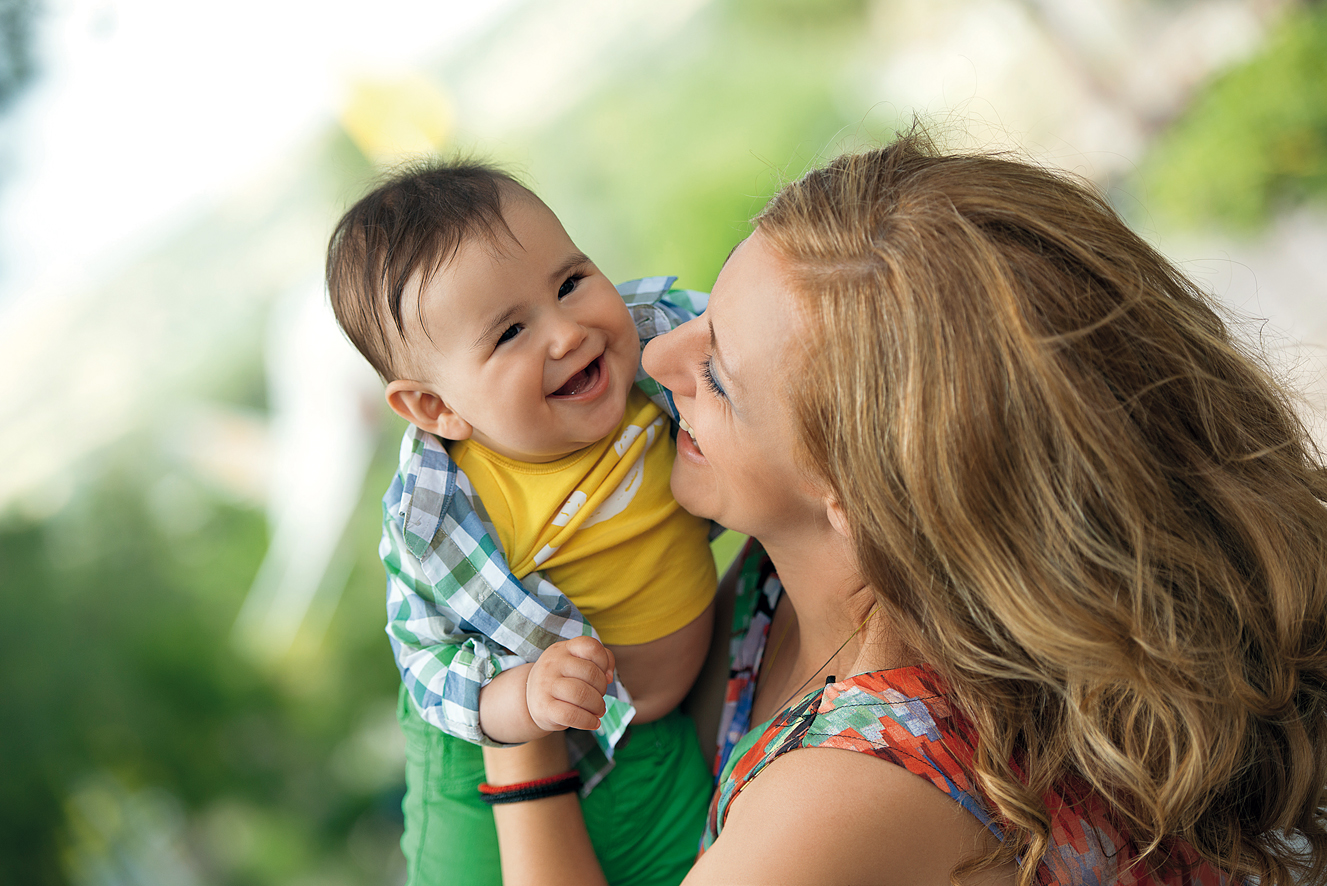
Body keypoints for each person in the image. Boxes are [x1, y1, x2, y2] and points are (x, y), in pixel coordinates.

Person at [479, 131, 1327, 886]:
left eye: (721, 379)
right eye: (703, 315)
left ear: (850, 497)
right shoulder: (800, 582)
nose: (659, 352)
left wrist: (512, 745)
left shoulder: (851, 788)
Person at [325, 162, 718, 885]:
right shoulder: (441, 513)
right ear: (436, 408)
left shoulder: (656, 339)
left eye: (569, 283)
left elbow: (768, 353)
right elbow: (424, 662)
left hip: (647, 746)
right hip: (501, 757)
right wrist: (519, 700)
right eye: (509, 332)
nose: (567, 333)